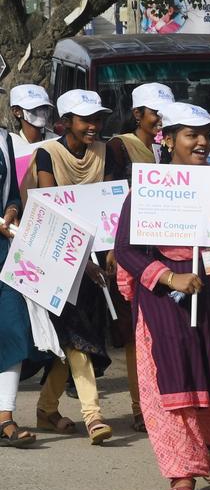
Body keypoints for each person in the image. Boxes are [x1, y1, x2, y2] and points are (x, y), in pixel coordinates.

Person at [113, 103, 210, 490]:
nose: (201, 142)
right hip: (164, 300)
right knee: (171, 379)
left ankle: (206, 441)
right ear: (168, 139)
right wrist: (169, 276)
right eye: (191, 134)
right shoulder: (146, 188)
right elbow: (127, 250)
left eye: (206, 135)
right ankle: (182, 470)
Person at [33, 89, 118, 445]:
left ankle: (46, 408)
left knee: (73, 342)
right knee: (77, 341)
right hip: (57, 261)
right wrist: (83, 265)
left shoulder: (105, 152)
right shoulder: (47, 154)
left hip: (96, 264)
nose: (94, 126)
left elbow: (112, 204)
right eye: (86, 120)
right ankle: (93, 415)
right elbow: (53, 211)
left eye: (98, 119)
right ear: (66, 122)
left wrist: (112, 252)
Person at [106, 82, 175, 434]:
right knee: (135, 332)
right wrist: (113, 249)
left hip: (166, 252)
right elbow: (109, 197)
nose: (161, 120)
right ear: (138, 115)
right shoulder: (120, 147)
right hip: (132, 252)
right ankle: (138, 405)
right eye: (156, 113)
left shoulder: (167, 149)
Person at [0, 119, 36, 447]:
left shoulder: (5, 140)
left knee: (13, 327)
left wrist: (12, 209)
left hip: (3, 252)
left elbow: (13, 194)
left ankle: (5, 417)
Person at [8, 83, 58, 158]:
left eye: (44, 107)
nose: (41, 112)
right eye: (35, 108)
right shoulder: (10, 145)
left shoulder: (56, 141)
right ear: (17, 111)